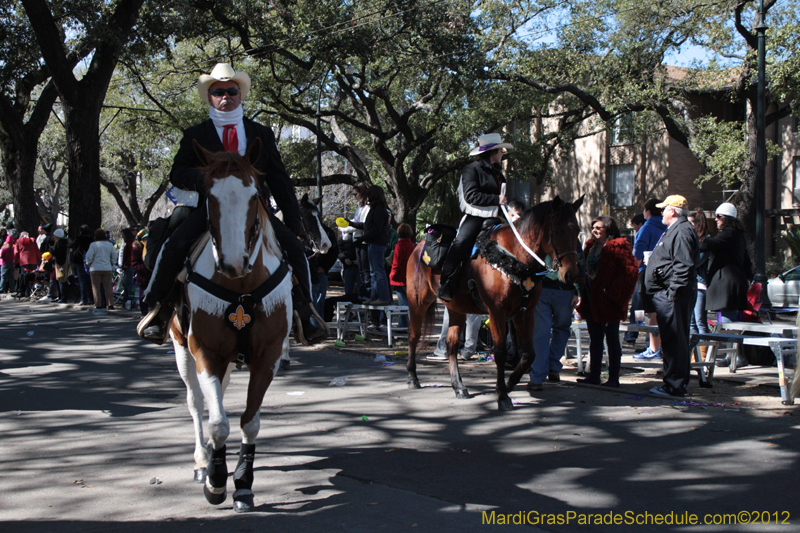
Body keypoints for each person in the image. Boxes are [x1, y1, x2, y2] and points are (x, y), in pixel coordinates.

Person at [138, 63, 325, 345]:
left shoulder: (261, 132)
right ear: (210, 97)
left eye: (231, 91)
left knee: (294, 249)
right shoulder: (195, 134)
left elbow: (279, 179)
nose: (225, 96)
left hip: (254, 209)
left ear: (240, 95)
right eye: (218, 92)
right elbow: (177, 172)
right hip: (209, 207)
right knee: (173, 245)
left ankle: (305, 310)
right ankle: (159, 308)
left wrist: (292, 219)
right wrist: (203, 180)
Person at [437, 132, 512, 302]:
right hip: (475, 216)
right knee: (461, 243)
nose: (502, 154)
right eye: (501, 151)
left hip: (497, 217)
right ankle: (447, 282)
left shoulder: (498, 174)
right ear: (493, 152)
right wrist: (496, 199)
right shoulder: (471, 169)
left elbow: (502, 199)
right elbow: (471, 196)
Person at [644, 195, 699, 397]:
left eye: (664, 209)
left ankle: (674, 384)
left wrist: (672, 292)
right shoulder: (677, 230)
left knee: (675, 340)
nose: (661, 212)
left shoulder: (682, 230)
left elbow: (683, 264)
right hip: (669, 294)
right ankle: (673, 382)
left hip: (673, 295)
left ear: (673, 211)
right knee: (672, 339)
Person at [575, 217, 638, 387]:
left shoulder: (618, 246)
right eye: (592, 227)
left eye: (598, 227)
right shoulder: (590, 246)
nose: (594, 230)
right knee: (595, 339)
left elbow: (630, 272)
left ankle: (613, 378)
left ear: (608, 229)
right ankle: (594, 375)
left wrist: (613, 294)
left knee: (612, 339)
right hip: (592, 300)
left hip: (609, 301)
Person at [528, 239, 586, 391]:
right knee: (561, 329)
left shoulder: (543, 235)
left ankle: (537, 376)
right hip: (564, 290)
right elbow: (579, 262)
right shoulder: (569, 235)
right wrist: (578, 290)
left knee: (541, 332)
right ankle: (552, 367)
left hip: (544, 288)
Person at [701, 202, 753, 368]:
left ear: (728, 219)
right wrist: (748, 279)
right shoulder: (738, 235)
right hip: (734, 282)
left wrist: (691, 242)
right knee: (728, 320)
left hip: (728, 284)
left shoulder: (729, 233)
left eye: (719, 217)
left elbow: (710, 245)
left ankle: (736, 355)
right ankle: (734, 355)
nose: (716, 220)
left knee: (728, 321)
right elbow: (747, 262)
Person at [632, 198, 667, 361]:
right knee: (662, 312)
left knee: (651, 313)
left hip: (647, 274)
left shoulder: (646, 228)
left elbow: (638, 254)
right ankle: (660, 347)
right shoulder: (668, 226)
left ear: (647, 211)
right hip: (666, 274)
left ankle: (654, 349)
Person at [347, 185, 392, 313]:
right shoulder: (375, 209)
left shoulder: (378, 210)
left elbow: (375, 229)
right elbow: (366, 226)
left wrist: (363, 238)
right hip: (374, 243)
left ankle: (383, 297)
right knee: (373, 273)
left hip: (376, 243)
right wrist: (350, 223)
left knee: (378, 272)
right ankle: (375, 296)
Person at [687, 208, 711, 360]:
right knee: (691, 322)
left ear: (698, 224)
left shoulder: (705, 242)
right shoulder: (693, 240)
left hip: (700, 285)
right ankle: (693, 354)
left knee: (700, 320)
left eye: (690, 223)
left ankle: (703, 354)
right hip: (691, 284)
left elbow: (695, 263)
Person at [623, 213, 646, 344]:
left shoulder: (642, 233)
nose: (634, 230)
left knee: (637, 306)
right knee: (643, 308)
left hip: (640, 274)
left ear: (640, 224)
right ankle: (639, 335)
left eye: (634, 227)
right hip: (646, 274)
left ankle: (632, 334)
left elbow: (637, 256)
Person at [389, 223, 416, 328]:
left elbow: (396, 263)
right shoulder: (411, 245)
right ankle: (407, 324)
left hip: (400, 278)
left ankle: (403, 325)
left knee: (403, 304)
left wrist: (392, 275)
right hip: (410, 277)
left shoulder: (399, 245)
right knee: (408, 303)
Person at [86, 228, 119, 311]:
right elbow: (114, 255)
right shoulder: (109, 244)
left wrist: (89, 263)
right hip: (107, 267)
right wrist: (112, 263)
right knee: (108, 287)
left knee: (96, 287)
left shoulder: (93, 245)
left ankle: (98, 304)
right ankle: (110, 304)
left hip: (95, 268)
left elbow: (89, 256)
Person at [69, 224, 94, 306]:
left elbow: (70, 245)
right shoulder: (91, 239)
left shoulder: (79, 239)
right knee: (89, 280)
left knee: (82, 280)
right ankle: (91, 298)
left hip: (80, 261)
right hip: (90, 262)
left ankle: (84, 299)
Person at [13, 231, 41, 298]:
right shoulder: (33, 240)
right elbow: (37, 251)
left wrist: (15, 262)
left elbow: (16, 253)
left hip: (23, 262)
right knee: (31, 277)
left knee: (24, 277)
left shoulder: (18, 241)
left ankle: (24, 292)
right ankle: (28, 292)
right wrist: (40, 259)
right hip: (33, 261)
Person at [131, 230, 151, 316]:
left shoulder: (149, 247)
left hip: (151, 275)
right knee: (143, 295)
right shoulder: (137, 249)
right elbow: (135, 264)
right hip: (143, 276)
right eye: (144, 238)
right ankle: (144, 312)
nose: (146, 240)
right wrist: (145, 268)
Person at [51, 228, 69, 302]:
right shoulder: (65, 242)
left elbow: (57, 253)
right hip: (63, 262)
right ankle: (61, 296)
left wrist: (52, 251)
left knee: (61, 279)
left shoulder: (59, 243)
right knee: (61, 279)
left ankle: (62, 297)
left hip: (60, 263)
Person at [119, 228, 136, 307]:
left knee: (129, 284)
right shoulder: (127, 243)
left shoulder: (130, 243)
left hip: (129, 266)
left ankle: (130, 301)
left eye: (123, 234)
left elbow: (131, 255)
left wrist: (126, 263)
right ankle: (125, 301)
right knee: (125, 284)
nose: (122, 236)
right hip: (126, 266)